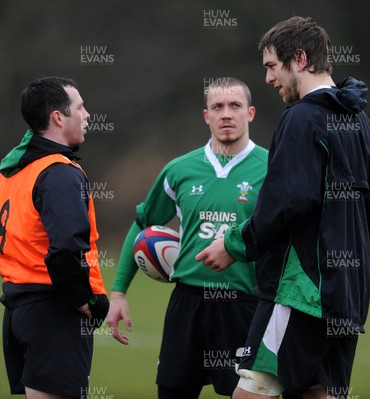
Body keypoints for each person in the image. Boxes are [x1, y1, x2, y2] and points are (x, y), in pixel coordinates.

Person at [196, 17, 370, 399]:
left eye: (271, 66)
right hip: (348, 294)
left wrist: (234, 245)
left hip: (303, 292)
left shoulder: (301, 118)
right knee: (318, 392)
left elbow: (285, 202)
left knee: (250, 393)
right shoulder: (362, 121)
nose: (267, 79)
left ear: (299, 58)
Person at [107, 77, 268, 399]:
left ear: (250, 113)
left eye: (234, 106)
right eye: (217, 107)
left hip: (245, 306)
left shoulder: (272, 168)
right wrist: (118, 294)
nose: (226, 114)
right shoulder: (179, 170)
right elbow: (142, 225)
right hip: (187, 303)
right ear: (206, 116)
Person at [0, 77, 109, 399]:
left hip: (17, 311)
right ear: (58, 117)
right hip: (54, 313)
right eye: (80, 107)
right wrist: (85, 299)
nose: (87, 115)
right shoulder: (59, 173)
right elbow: (68, 247)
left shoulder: (10, 172)